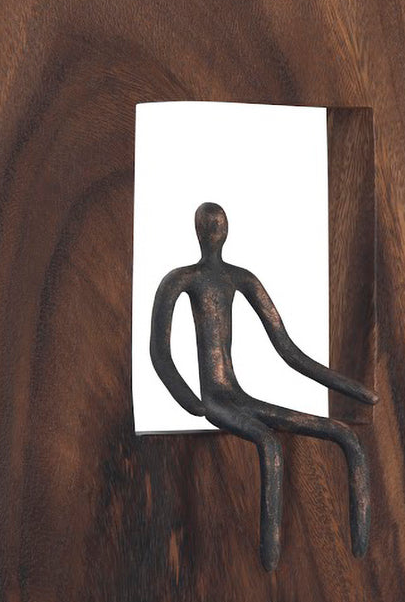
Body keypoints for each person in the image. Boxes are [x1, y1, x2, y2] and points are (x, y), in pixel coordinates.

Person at [150, 202, 378, 571]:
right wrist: (190, 401)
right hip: (215, 399)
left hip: (238, 396)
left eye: (219, 224)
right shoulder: (180, 280)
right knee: (269, 445)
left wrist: (351, 388)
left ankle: (360, 554)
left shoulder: (243, 279)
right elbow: (160, 353)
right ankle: (269, 564)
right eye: (211, 224)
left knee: (345, 435)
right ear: (201, 231)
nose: (215, 230)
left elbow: (288, 350)